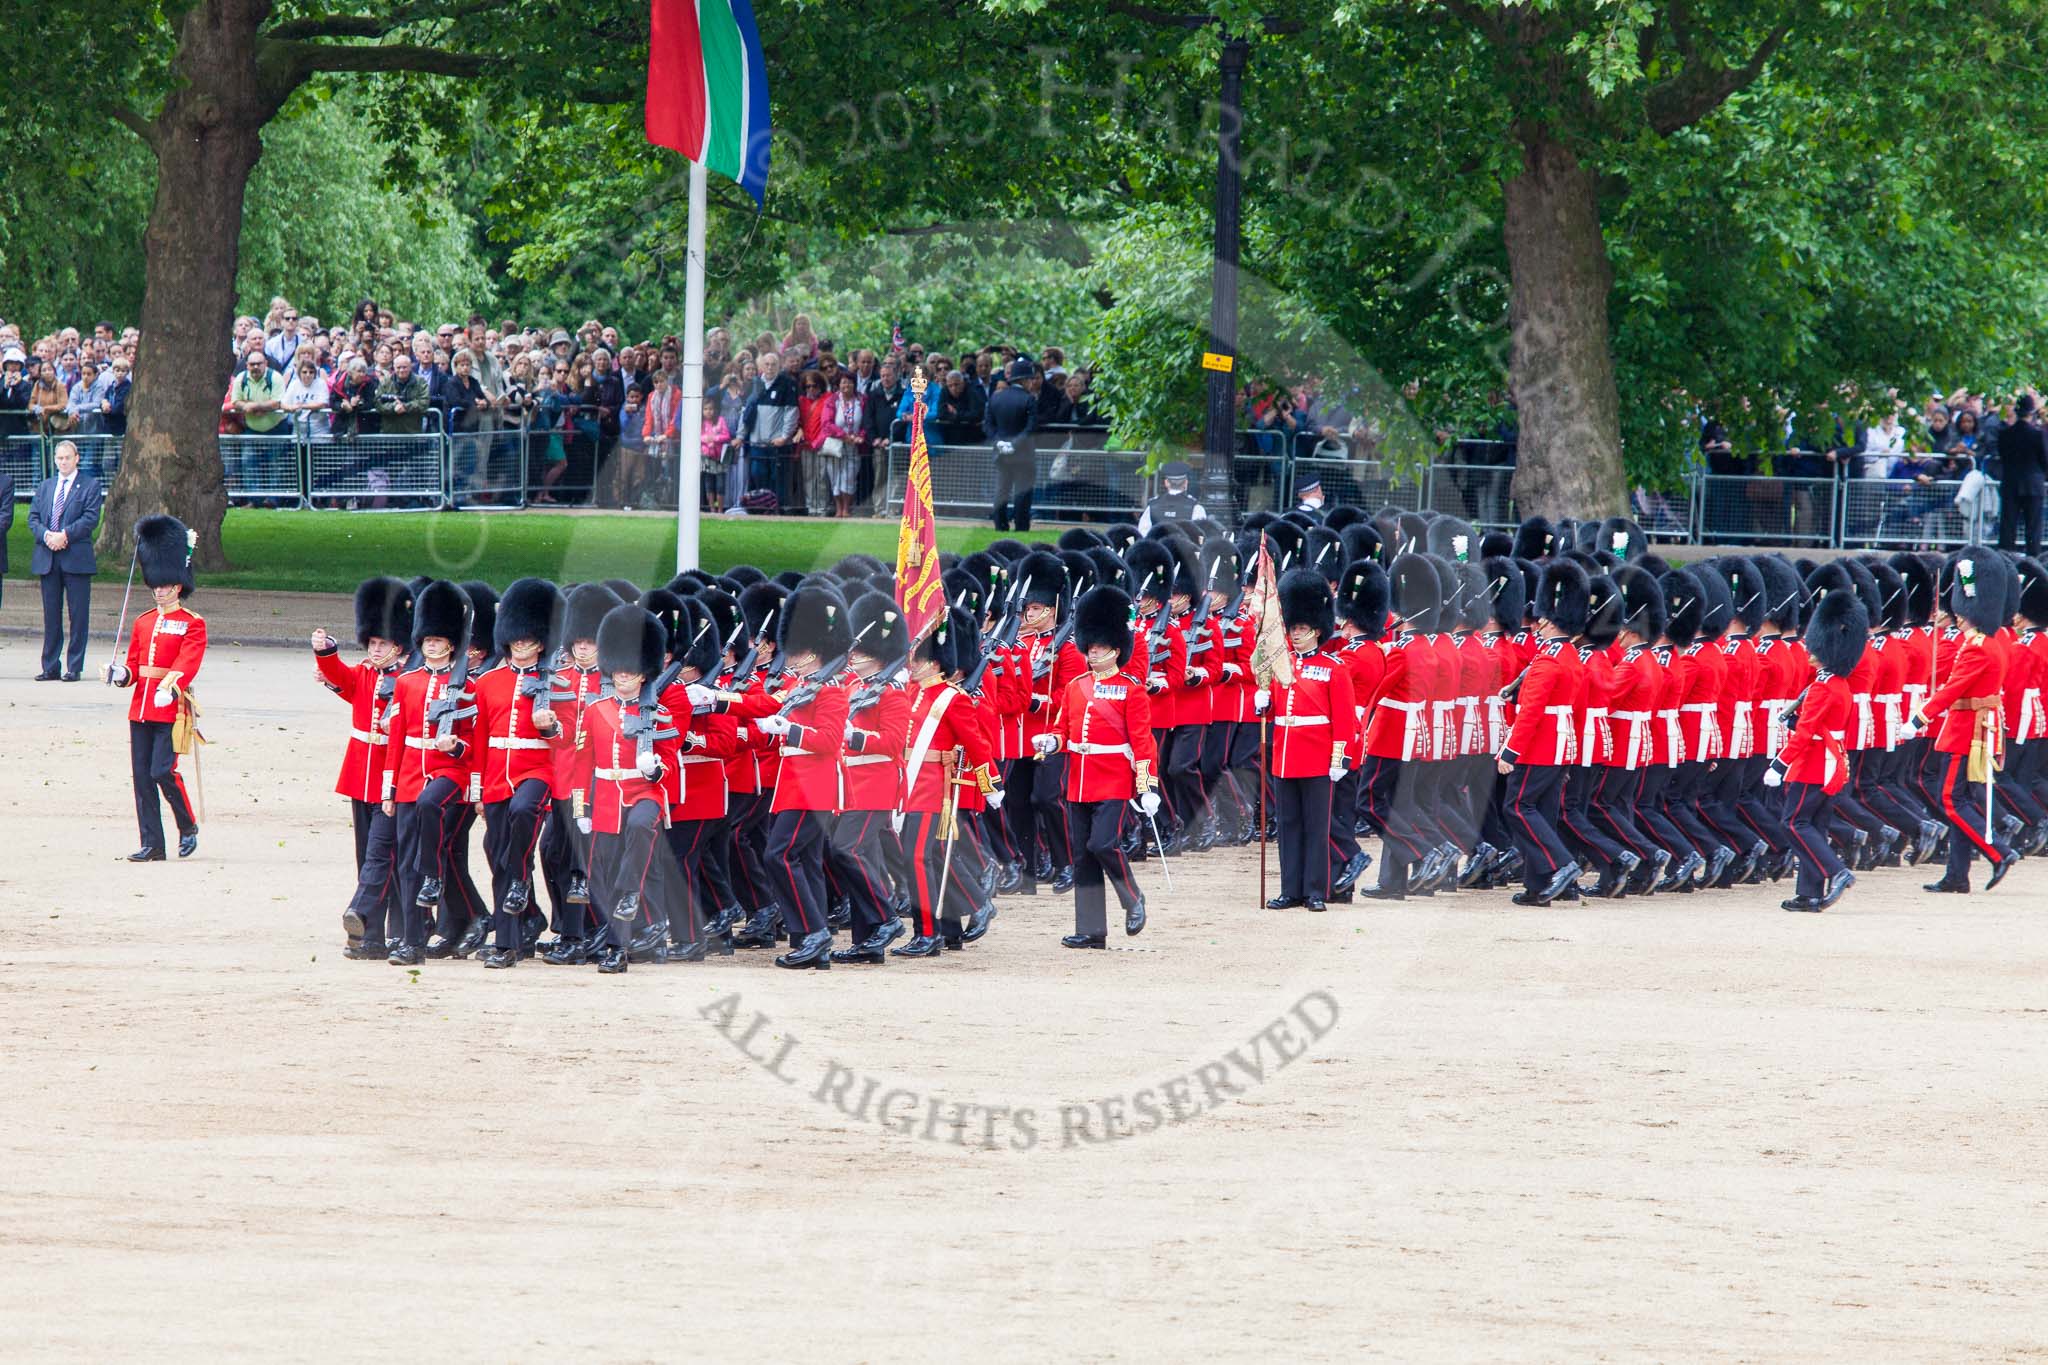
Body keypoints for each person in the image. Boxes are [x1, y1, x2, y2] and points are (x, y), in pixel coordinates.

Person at [468, 578, 567, 968]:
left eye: (528, 641)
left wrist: (551, 728)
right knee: (497, 850)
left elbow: (570, 741)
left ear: (541, 643)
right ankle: (508, 942)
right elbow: (479, 739)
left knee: (524, 815)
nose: (521, 647)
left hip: (538, 770)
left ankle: (520, 885)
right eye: (516, 640)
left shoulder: (556, 684)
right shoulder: (489, 681)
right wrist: (477, 789)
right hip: (496, 773)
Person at [378, 581, 477, 966]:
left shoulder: (467, 685)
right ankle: (412, 939)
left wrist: (456, 748)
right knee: (404, 861)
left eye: (439, 640)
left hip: (448, 771)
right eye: (428, 640)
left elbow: (472, 739)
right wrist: (389, 788)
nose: (432, 646)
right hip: (407, 776)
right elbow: (397, 739)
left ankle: (433, 886)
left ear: (452, 644)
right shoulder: (407, 682)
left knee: (425, 850)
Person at [316, 577, 414, 960]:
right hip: (361, 773)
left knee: (387, 857)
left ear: (398, 646)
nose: (375, 650)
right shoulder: (366, 673)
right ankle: (371, 937)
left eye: (382, 644)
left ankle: (396, 930)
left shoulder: (405, 680)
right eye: (372, 643)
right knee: (367, 856)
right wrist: (325, 652)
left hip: (392, 778)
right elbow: (340, 678)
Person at [101, 515, 206, 862]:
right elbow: (134, 664)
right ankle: (153, 843)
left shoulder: (192, 623)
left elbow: (186, 663)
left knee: (163, 771)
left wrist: (170, 687)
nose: (159, 590)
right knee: (142, 778)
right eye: (156, 586)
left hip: (170, 707)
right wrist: (121, 674)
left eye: (165, 585)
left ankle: (187, 824)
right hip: (141, 706)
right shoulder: (143, 621)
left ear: (178, 585)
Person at [1765, 586, 1864, 911]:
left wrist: (1779, 765)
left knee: (1794, 822)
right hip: (1830, 760)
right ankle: (1809, 892)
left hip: (1813, 763)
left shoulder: (1823, 687)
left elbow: (1807, 732)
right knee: (1815, 824)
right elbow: (1818, 724)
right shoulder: (1836, 684)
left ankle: (1836, 871)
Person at [30, 439, 102, 681]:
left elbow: (91, 518)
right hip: (48, 557)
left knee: (78, 614)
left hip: (76, 558)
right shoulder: (46, 486)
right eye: (59, 458)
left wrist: (65, 535)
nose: (63, 462)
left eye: (67, 458)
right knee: (51, 614)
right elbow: (33, 518)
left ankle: (74, 666)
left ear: (77, 458)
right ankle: (50, 665)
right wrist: (47, 535)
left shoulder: (90, 485)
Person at [985, 358, 1039, 531]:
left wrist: (999, 442)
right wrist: (1014, 444)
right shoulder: (1029, 399)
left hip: (1001, 453)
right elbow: (1030, 428)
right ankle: (1021, 525)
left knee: (1002, 490)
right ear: (1024, 380)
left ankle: (1000, 524)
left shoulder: (996, 398)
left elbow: (988, 425)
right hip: (1023, 454)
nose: (1032, 382)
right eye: (1030, 379)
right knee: (1022, 492)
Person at [1998, 394, 2046, 557]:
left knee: (2008, 526)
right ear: (2031, 413)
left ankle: (2006, 560)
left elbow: (2003, 457)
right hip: (2033, 484)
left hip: (2011, 483)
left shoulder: (2005, 434)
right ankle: (2033, 562)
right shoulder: (2038, 434)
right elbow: (2044, 459)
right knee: (2033, 528)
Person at [1138, 459, 1209, 534]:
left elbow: (1143, 534)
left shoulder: (1152, 506)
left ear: (1166, 483)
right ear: (1186, 483)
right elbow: (1201, 536)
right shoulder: (1196, 508)